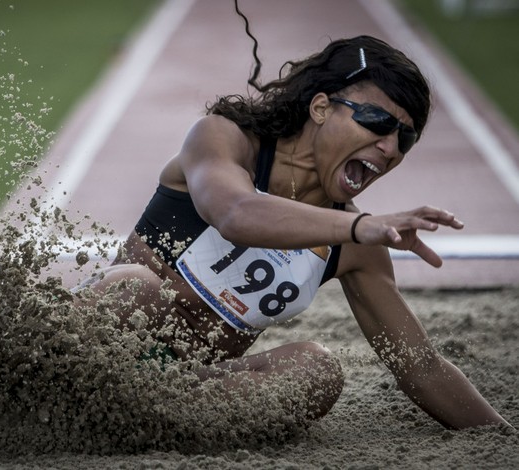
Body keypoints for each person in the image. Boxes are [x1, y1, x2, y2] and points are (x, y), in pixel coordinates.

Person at [73, 31, 510, 429]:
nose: (391, 147)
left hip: (195, 385)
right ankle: (66, 394)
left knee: (317, 370)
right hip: (104, 350)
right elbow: (237, 214)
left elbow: (421, 367)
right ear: (320, 107)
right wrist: (358, 225)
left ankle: (141, 418)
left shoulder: (354, 244)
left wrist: (503, 439)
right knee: (134, 286)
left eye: (406, 138)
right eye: (377, 121)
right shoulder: (225, 140)